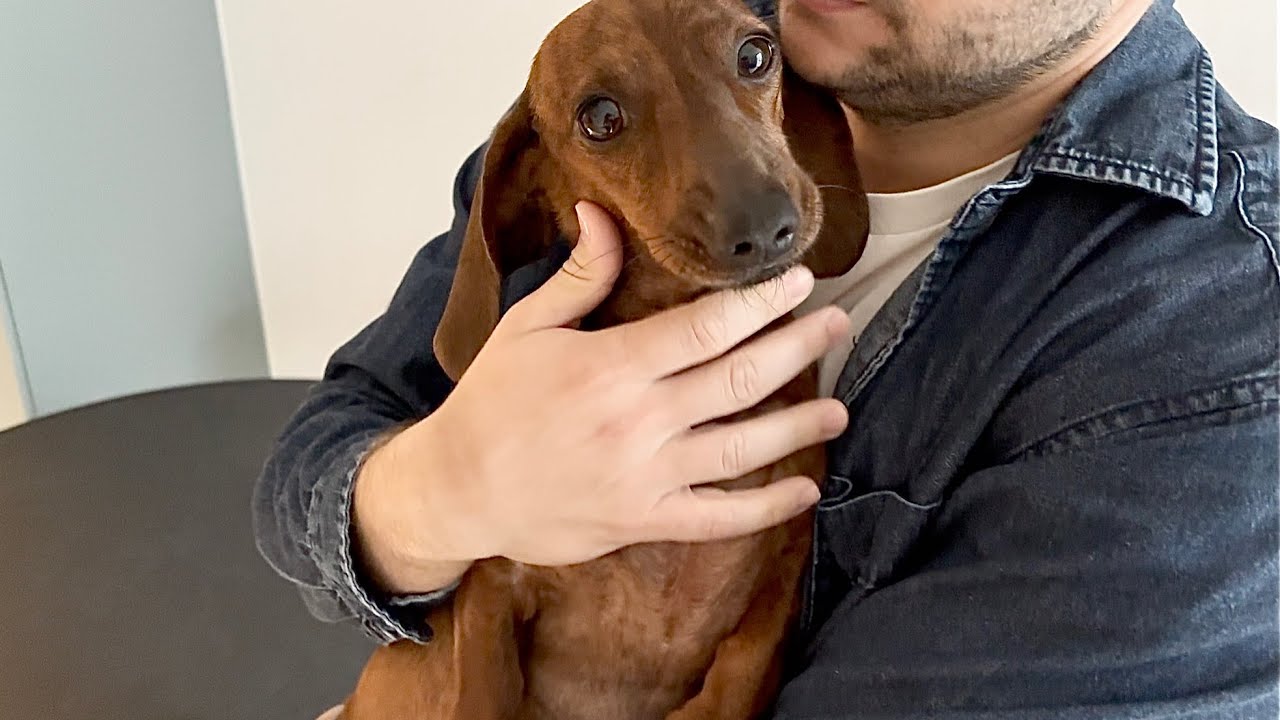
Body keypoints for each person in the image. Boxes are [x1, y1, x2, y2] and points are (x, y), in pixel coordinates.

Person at [253, 0, 1279, 716]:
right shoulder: (671, 48)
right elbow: (305, 480)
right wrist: (441, 494)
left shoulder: (1220, 340)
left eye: (745, 67)